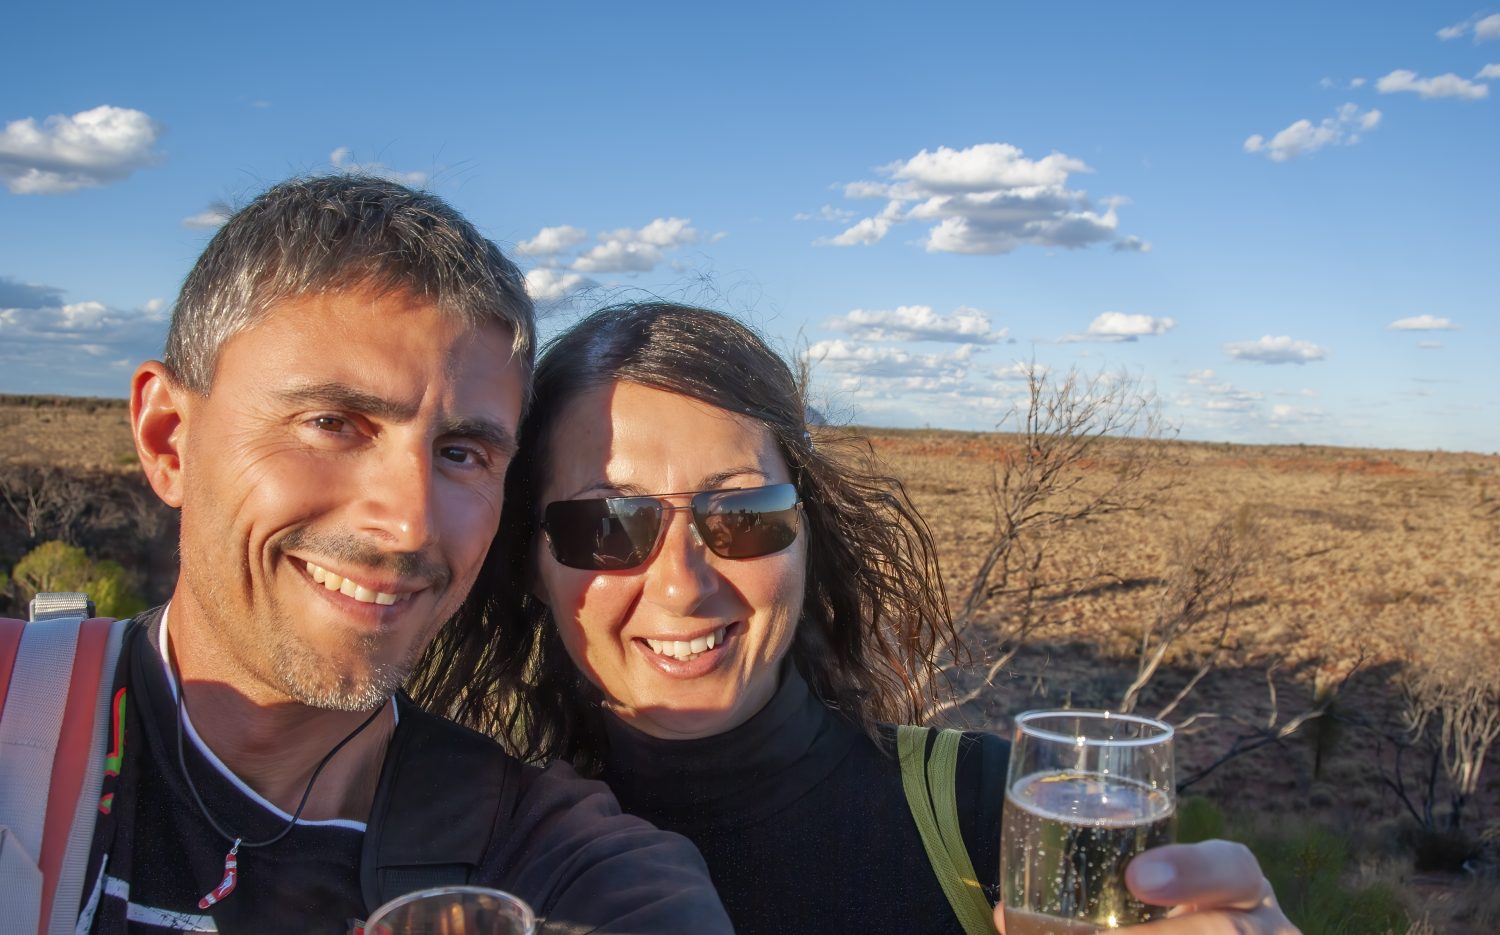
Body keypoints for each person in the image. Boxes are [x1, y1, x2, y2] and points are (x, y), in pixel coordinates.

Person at [417, 301, 1301, 934]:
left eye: (744, 516)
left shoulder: (990, 814)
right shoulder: (478, 869)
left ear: (808, 537)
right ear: (529, 561)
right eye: (608, 524)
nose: (683, 585)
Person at [60, 179, 731, 933]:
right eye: (333, 422)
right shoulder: (28, 723)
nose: (410, 524)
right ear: (168, 438)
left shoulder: (559, 866)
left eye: (460, 452)